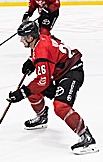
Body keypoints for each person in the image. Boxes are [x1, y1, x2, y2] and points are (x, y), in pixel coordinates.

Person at [8, 20, 96, 154]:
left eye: (23, 37)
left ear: (30, 37)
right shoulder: (41, 38)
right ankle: (42, 117)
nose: (21, 40)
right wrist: (31, 61)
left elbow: (43, 81)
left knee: (60, 106)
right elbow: (50, 51)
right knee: (34, 92)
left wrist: (22, 93)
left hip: (72, 72)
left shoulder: (41, 52)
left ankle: (87, 138)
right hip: (59, 72)